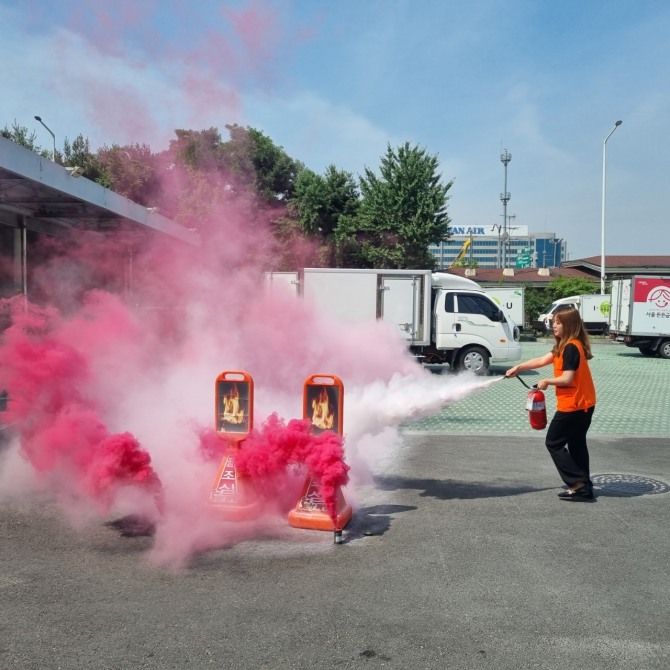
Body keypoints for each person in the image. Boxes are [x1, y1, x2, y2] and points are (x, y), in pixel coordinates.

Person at [506, 305, 596, 502]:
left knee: (553, 442)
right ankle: (584, 485)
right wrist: (519, 367)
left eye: (558, 323)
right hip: (584, 404)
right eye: (553, 322)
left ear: (569, 325)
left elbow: (567, 379)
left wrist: (545, 381)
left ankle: (577, 483)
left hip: (574, 405)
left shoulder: (571, 347)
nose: (553, 326)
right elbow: (541, 360)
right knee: (577, 444)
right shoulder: (564, 345)